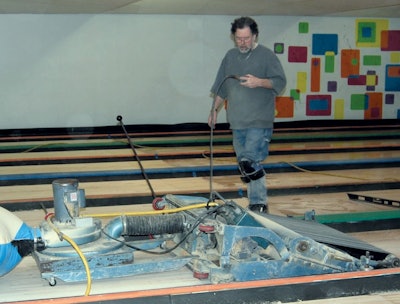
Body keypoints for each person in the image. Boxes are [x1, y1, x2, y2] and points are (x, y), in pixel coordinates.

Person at [208, 16, 286, 213]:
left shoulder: (267, 55)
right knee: (245, 164)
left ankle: (259, 203)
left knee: (250, 162)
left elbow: (280, 82)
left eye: (246, 38)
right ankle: (256, 201)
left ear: (255, 36)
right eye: (238, 38)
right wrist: (213, 111)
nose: (242, 42)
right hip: (237, 121)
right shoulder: (230, 56)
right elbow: (221, 87)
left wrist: (259, 82)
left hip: (259, 120)